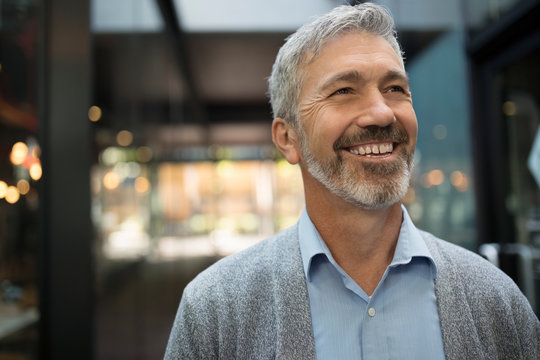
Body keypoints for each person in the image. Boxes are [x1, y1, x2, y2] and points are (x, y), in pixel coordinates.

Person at [164, 3, 540, 359]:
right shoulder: (215, 311)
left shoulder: (495, 300)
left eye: (395, 89)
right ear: (287, 138)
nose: (380, 112)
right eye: (343, 91)